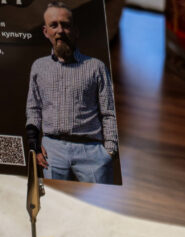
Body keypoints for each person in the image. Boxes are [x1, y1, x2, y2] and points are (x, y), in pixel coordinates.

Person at [26, 1, 118, 184]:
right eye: (54, 25)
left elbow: (109, 112)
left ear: (75, 31)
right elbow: (33, 108)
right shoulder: (39, 67)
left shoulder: (96, 67)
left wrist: (109, 151)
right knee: (55, 198)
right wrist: (34, 145)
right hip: (52, 150)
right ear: (45, 31)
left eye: (65, 25)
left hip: (92, 151)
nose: (60, 30)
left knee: (98, 200)